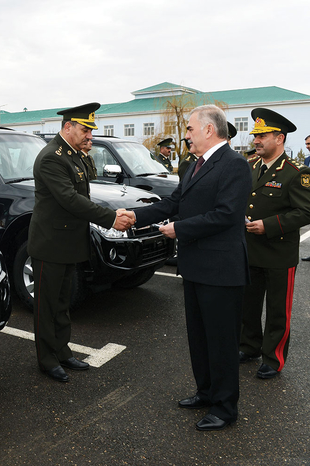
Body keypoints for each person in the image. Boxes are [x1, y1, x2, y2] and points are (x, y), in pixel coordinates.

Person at [121, 105, 252, 431]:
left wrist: (180, 229)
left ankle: (224, 408)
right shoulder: (195, 165)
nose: (187, 135)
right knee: (200, 338)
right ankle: (206, 392)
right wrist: (137, 215)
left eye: (191, 129)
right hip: (195, 267)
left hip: (221, 270)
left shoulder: (235, 165)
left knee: (221, 342)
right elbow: (173, 203)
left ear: (209, 130)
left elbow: (225, 215)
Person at [27, 102, 133, 383]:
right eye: (85, 129)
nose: (90, 136)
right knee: (47, 306)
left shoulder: (74, 155)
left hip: (68, 242)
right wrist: (111, 218)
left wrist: (113, 211)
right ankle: (46, 359)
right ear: (67, 127)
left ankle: (62, 351)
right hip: (50, 244)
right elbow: (71, 200)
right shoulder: (52, 157)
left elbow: (83, 197)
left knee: (63, 303)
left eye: (90, 130)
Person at [239, 109, 310, 377]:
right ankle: (249, 347)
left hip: (279, 253)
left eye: (262, 135)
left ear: (279, 138)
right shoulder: (251, 167)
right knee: (249, 305)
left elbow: (305, 212)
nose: (256, 140)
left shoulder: (296, 173)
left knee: (278, 311)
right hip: (251, 250)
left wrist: (267, 226)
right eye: (255, 135)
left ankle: (273, 358)